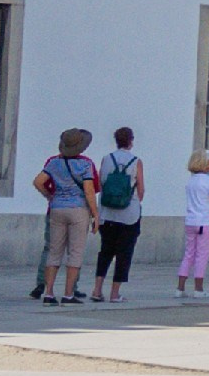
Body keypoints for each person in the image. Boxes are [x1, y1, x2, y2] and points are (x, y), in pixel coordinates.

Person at [35, 129, 100, 302]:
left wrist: (50, 196)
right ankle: (68, 294)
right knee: (75, 252)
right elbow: (89, 191)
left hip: (57, 208)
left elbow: (38, 182)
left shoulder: (54, 163)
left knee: (54, 251)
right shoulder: (85, 164)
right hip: (78, 209)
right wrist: (95, 214)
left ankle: (49, 293)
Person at [93, 130, 145, 298]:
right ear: (131, 141)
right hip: (129, 215)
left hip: (107, 213)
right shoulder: (136, 161)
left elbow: (100, 184)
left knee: (105, 251)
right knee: (124, 253)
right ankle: (115, 293)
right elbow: (141, 190)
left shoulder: (106, 159)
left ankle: (97, 290)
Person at [176, 153, 209, 293]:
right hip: (205, 221)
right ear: (204, 163)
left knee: (189, 254)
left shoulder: (191, 181)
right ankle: (198, 289)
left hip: (191, 221)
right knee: (202, 255)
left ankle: (180, 288)